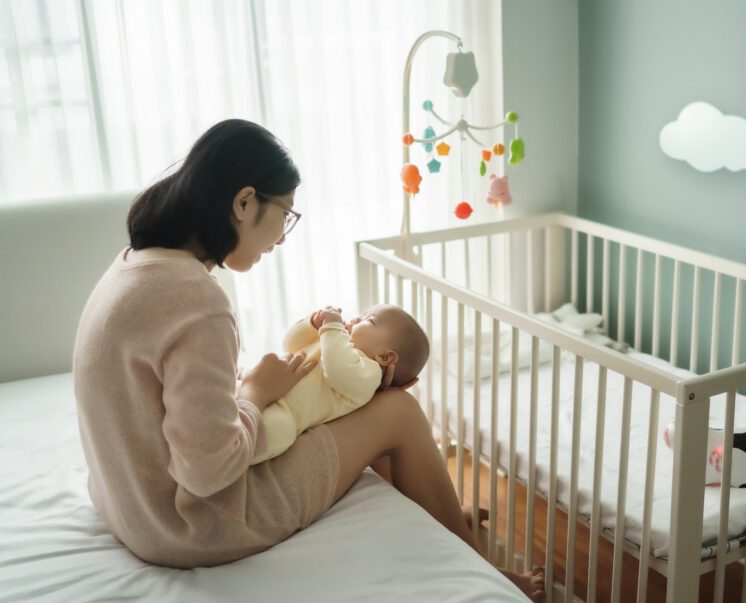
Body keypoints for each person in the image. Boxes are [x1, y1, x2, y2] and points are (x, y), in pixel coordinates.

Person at [72, 119, 544, 600]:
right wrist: (255, 393)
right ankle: (478, 561)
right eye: (286, 215)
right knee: (396, 410)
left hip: (130, 507)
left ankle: (436, 508)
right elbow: (208, 471)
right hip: (194, 525)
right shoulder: (197, 301)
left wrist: (252, 386)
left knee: (349, 399)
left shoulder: (135, 261)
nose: (281, 237)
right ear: (244, 202)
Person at [251, 303, 430, 465]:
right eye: (361, 314)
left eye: (369, 321)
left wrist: (332, 328)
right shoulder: (333, 340)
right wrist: (311, 324)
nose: (355, 319)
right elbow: (289, 345)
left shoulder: (368, 373)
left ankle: (238, 452)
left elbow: (335, 369)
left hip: (285, 413)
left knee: (279, 431)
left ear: (385, 357)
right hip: (263, 388)